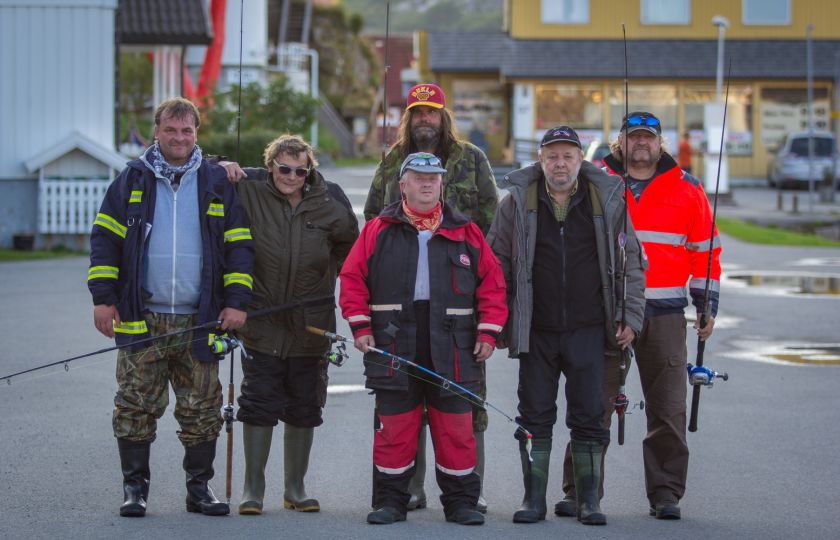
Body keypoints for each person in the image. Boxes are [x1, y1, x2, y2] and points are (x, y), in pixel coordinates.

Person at [88, 97, 254, 517]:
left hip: (202, 321)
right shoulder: (130, 179)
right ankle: (134, 490)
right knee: (134, 404)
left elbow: (238, 248)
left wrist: (236, 303)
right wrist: (104, 300)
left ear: (197, 133)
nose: (179, 138)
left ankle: (199, 490)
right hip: (138, 316)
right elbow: (104, 241)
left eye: (187, 131)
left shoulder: (216, 181)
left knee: (202, 407)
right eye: (171, 130)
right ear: (156, 131)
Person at [487, 126, 646, 526]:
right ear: (541, 160)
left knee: (590, 414)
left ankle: (588, 501)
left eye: (568, 156)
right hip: (536, 328)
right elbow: (495, 263)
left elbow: (633, 265)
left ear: (580, 160)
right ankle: (533, 499)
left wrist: (630, 316)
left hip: (590, 327)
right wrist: (496, 320)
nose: (560, 163)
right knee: (534, 414)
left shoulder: (608, 200)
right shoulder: (516, 202)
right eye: (552, 156)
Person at [340, 152, 507, 526]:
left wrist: (488, 332)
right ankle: (390, 502)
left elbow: (493, 286)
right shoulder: (378, 229)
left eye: (434, 177)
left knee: (456, 429)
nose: (427, 183)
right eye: (418, 177)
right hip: (394, 339)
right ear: (403, 185)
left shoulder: (466, 231)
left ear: (442, 184)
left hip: (455, 344)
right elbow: (352, 279)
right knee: (395, 427)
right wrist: (361, 327)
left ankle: (461, 503)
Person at [364, 83, 499, 512]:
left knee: (460, 405)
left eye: (432, 112)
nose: (425, 119)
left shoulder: (472, 158)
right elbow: (372, 217)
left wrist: (489, 313)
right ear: (409, 117)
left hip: (459, 305)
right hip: (401, 310)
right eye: (418, 112)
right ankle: (408, 489)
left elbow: (491, 228)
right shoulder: (392, 161)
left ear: (444, 116)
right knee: (400, 402)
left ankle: (465, 493)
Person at [216, 135, 359, 515]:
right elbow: (206, 176)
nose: (292, 176)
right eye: (284, 168)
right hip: (261, 319)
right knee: (258, 401)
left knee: (305, 404)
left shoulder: (331, 199)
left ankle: (295, 488)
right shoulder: (249, 189)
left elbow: (352, 244)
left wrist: (329, 274)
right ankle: (253, 488)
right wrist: (220, 164)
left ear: (309, 170)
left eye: (300, 169)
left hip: (311, 322)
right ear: (270, 166)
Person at [589, 111, 721, 520]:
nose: (641, 144)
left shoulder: (688, 188)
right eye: (633, 137)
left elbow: (706, 252)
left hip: (664, 313)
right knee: (593, 405)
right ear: (621, 141)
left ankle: (665, 493)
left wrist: (706, 305)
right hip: (607, 310)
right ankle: (581, 490)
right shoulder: (595, 181)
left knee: (667, 407)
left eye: (648, 137)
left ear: (660, 142)